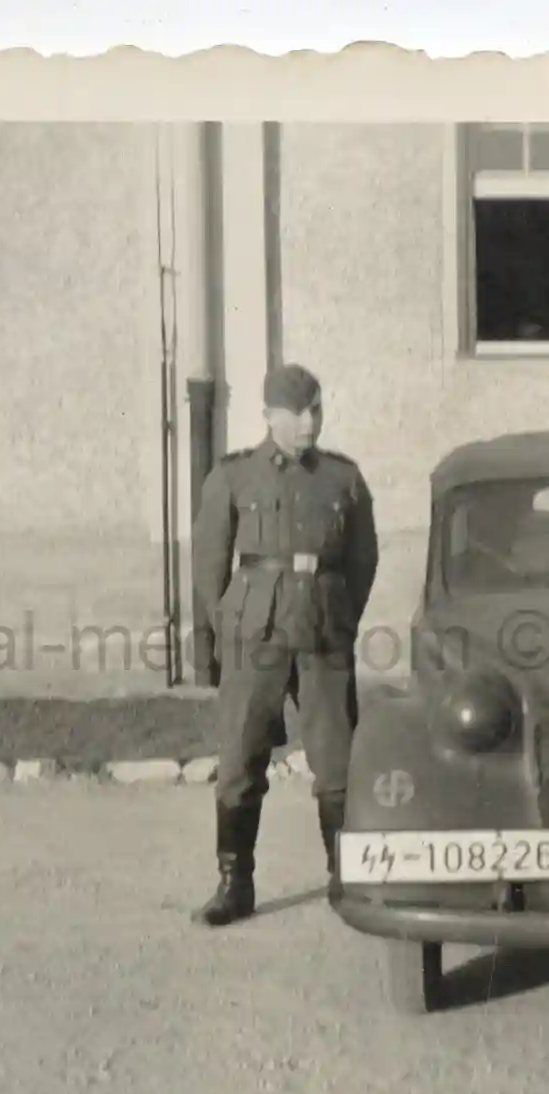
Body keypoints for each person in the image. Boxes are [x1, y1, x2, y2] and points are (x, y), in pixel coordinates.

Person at [188, 363, 378, 926]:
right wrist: (223, 635)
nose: (308, 422)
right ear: (268, 416)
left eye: (315, 409)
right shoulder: (234, 477)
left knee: (338, 762)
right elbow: (208, 567)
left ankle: (347, 880)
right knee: (239, 759)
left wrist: (338, 616)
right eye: (295, 413)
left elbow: (362, 562)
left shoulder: (343, 479)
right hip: (255, 636)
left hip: (322, 633)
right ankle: (234, 883)